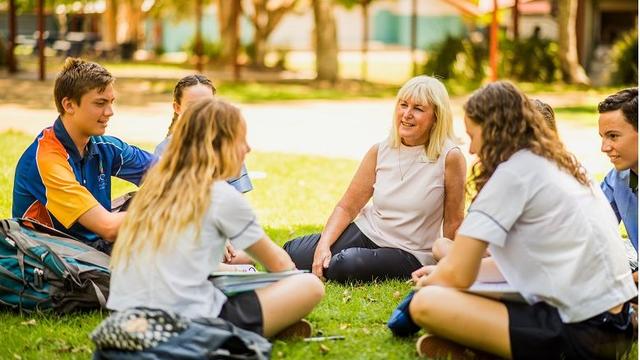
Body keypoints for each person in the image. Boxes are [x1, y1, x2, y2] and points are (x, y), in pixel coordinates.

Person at [407, 82, 636, 359]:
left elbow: (458, 272)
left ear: (494, 132)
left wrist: (432, 282)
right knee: (461, 291)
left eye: (473, 136)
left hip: (586, 334)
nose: (471, 150)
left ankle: (487, 350)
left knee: (426, 303)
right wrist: (444, 274)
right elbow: (515, 268)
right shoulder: (561, 164)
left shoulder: (513, 174)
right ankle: (482, 349)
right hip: (618, 323)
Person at [107, 98, 324, 338]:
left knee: (237, 276)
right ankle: (256, 330)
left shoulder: (156, 187)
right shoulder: (219, 195)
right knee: (309, 285)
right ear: (218, 145)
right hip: (184, 326)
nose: (248, 148)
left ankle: (266, 324)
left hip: (124, 325)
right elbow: (281, 266)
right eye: (241, 139)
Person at [283, 75, 466, 282]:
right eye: (403, 105)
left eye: (418, 109)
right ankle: (324, 262)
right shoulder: (380, 150)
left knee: (344, 264)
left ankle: (333, 266)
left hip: (408, 251)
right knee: (292, 253)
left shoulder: (450, 157)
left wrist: (450, 266)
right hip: (368, 231)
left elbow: (454, 221)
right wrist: (323, 246)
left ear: (436, 117)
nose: (406, 114)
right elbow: (347, 207)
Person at [12, 58, 154, 253]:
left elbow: (168, 171)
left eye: (111, 102)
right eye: (100, 103)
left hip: (89, 249)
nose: (110, 112)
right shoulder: (47, 159)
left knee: (158, 196)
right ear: (69, 105)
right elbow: (109, 227)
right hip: (56, 264)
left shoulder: (104, 146)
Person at [431, 98, 557, 262]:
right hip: (494, 254)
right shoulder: (500, 173)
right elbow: (465, 233)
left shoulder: (538, 178)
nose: (471, 150)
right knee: (441, 245)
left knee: (445, 262)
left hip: (522, 261)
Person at [154, 74, 252, 194]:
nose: (201, 111)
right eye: (193, 105)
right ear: (177, 108)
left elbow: (238, 197)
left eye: (207, 103)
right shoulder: (165, 149)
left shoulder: (228, 146)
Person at [598, 88, 638, 283]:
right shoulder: (617, 179)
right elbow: (590, 226)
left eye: (613, 136)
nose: (604, 148)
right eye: (603, 137)